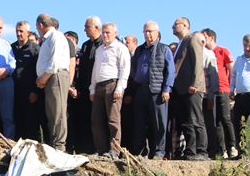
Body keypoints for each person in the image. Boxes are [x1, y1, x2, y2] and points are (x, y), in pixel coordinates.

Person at [131, 21, 174, 159]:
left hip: (157, 90)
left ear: (157, 33)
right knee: (139, 122)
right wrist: (136, 76)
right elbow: (133, 67)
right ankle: (141, 151)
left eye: (150, 31)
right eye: (145, 31)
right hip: (141, 90)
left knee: (159, 123)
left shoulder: (164, 49)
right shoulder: (139, 50)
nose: (148, 34)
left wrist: (166, 89)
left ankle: (159, 151)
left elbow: (170, 71)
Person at [89, 23, 131, 157]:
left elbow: (125, 69)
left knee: (113, 119)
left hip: (113, 85)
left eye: (108, 32)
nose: (105, 35)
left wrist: (120, 87)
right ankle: (100, 148)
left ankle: (114, 150)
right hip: (99, 86)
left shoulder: (120, 48)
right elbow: (95, 69)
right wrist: (92, 89)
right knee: (96, 119)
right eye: (104, 32)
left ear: (115, 33)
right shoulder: (100, 49)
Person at [172, 17, 207, 160]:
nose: (173, 27)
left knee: (196, 119)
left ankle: (202, 151)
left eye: (176, 24)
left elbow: (198, 63)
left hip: (193, 88)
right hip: (181, 89)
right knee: (186, 121)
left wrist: (195, 83)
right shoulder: (180, 43)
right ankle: (191, 151)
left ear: (185, 25)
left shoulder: (192, 39)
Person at [35, 13, 70, 151]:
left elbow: (54, 61)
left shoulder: (56, 36)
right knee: (51, 112)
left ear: (40, 25)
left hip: (56, 76)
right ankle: (54, 142)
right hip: (49, 78)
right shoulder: (47, 39)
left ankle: (59, 145)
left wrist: (43, 78)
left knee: (58, 111)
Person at [203, 29, 237, 159]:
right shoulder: (204, 53)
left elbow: (231, 70)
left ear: (211, 38)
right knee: (215, 121)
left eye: (205, 37)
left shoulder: (223, 51)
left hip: (223, 89)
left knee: (225, 118)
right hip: (210, 91)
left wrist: (232, 89)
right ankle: (221, 149)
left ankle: (232, 146)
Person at [71, 17, 103, 154]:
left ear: (96, 28)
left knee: (97, 120)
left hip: (98, 89)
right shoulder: (85, 45)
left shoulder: (103, 45)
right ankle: (84, 148)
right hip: (83, 89)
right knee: (82, 120)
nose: (84, 29)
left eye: (87, 27)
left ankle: (98, 148)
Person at [11, 21, 44, 141]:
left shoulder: (35, 49)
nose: (18, 34)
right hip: (14, 91)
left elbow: (39, 72)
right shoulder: (12, 48)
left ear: (28, 32)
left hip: (30, 92)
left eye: (21, 31)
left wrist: (35, 91)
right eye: (17, 31)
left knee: (31, 122)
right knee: (17, 121)